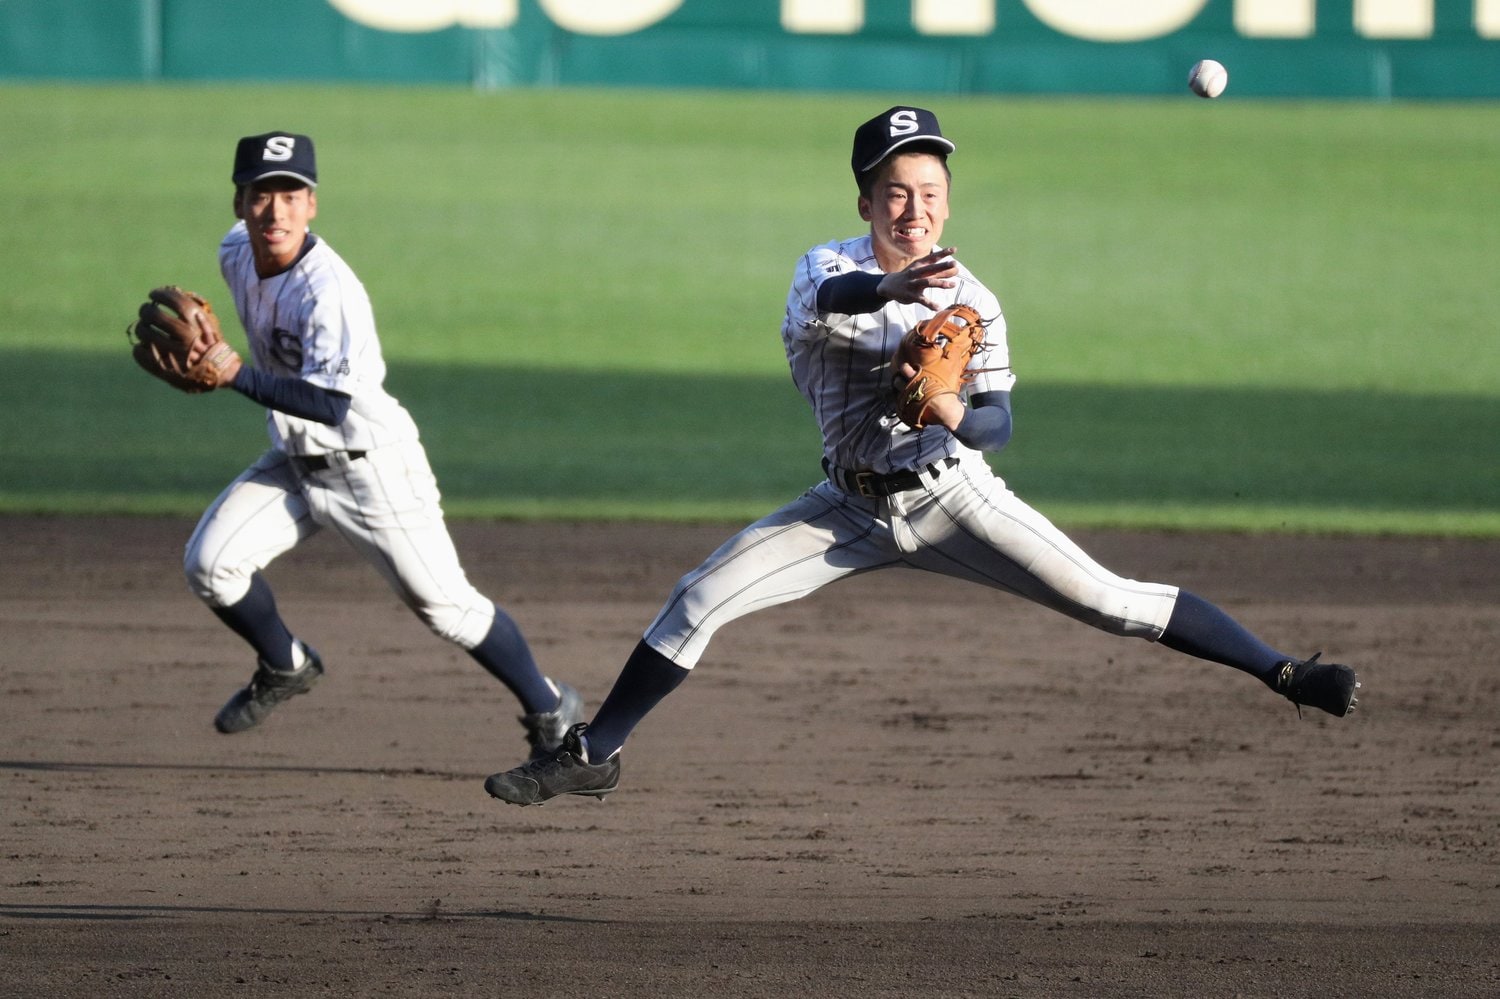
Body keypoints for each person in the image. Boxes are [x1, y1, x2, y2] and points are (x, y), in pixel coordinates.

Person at [483, 106, 1359, 806]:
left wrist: (955, 410)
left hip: (953, 495)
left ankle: (1285, 671)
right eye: (896, 193)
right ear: (866, 201)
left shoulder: (976, 298)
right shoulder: (823, 267)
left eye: (931, 191)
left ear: (948, 198)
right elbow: (837, 296)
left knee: (1109, 600)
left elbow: (1000, 423)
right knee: (698, 596)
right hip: (845, 508)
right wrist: (892, 287)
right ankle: (593, 752)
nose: (916, 210)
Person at [182, 130, 583, 756]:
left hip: (371, 467)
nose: (276, 210)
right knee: (211, 565)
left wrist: (233, 374)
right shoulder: (235, 252)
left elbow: (329, 404)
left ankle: (551, 707)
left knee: (446, 609)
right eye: (262, 194)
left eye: (292, 194)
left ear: (312, 204)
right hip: (295, 462)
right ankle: (286, 664)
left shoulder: (329, 291)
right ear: (239, 203)